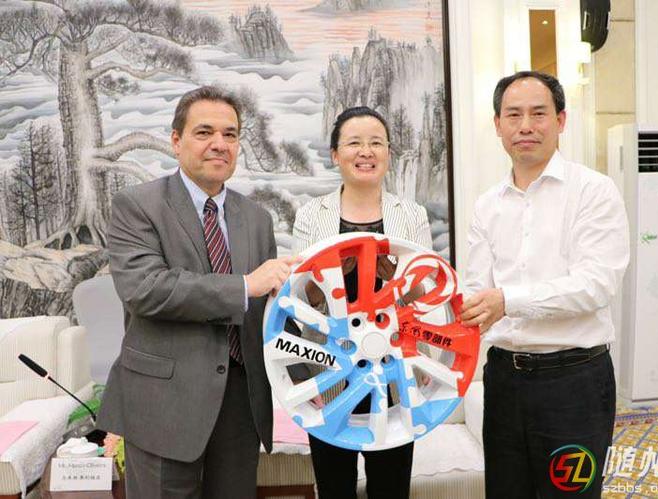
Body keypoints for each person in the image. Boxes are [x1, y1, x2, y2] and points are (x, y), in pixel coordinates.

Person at [98, 85, 300, 498]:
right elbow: (145, 288)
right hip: (163, 404)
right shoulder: (136, 205)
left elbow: (266, 310)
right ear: (176, 141)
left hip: (241, 404)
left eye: (230, 134)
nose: (219, 144)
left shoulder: (257, 219)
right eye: (204, 132)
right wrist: (245, 285)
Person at [460, 71, 629, 498]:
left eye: (538, 114)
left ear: (561, 120)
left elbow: (595, 284)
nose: (526, 126)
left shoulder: (594, 191)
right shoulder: (487, 205)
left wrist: (507, 301)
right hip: (503, 380)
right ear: (497, 125)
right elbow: (476, 293)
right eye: (513, 115)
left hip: (574, 383)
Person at [292, 106, 432, 499]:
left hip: (395, 372)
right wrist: (329, 279)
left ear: (388, 153)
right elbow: (297, 298)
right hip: (330, 372)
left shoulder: (411, 215)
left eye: (376, 143)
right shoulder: (311, 215)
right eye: (354, 143)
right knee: (334, 487)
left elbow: (427, 296)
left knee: (391, 488)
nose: (365, 152)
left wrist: (400, 280)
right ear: (335, 154)